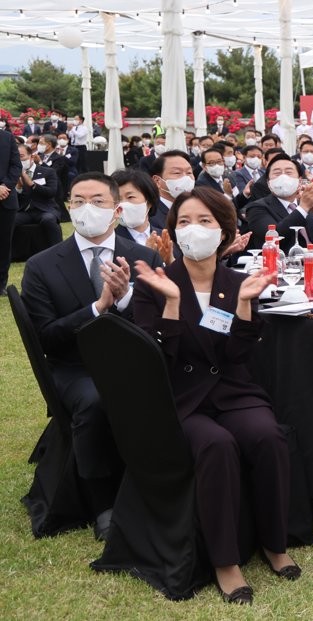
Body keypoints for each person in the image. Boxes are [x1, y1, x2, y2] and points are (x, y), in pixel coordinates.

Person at [132, 187, 298, 605]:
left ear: (225, 230)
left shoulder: (238, 281)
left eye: (205, 221)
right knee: (217, 445)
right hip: (182, 397)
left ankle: (275, 543)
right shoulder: (156, 284)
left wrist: (244, 307)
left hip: (232, 391)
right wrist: (171, 306)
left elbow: (237, 356)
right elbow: (155, 363)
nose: (194, 230)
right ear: (172, 231)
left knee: (268, 436)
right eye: (184, 221)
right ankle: (226, 562)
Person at [20, 172, 163, 540]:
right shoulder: (42, 265)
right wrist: (98, 307)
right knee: (96, 401)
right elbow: (48, 337)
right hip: (75, 367)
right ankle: (103, 503)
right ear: (68, 207)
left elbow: (157, 323)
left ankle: (161, 487)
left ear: (116, 210)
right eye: (78, 201)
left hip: (133, 361)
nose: (87, 209)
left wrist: (126, 299)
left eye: (97, 201)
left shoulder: (142, 255)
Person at [244, 154, 313, 251]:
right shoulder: (257, 208)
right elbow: (275, 237)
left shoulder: (305, 203)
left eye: (288, 172)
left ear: (299, 180)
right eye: (277, 173)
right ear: (268, 183)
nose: (283, 177)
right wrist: (303, 208)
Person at [14, 143, 62, 250]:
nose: (18, 160)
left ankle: (59, 250)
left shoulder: (48, 172)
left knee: (48, 220)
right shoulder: (12, 174)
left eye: (21, 156)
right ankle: (8, 253)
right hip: (24, 210)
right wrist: (18, 188)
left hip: (45, 209)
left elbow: (51, 192)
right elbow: (13, 199)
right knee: (8, 220)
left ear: (31, 156)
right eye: (16, 157)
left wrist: (32, 184)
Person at [111, 168, 164, 248]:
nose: (123, 204)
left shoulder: (165, 237)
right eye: (118, 199)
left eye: (130, 197)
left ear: (149, 201)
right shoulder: (111, 240)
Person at [0, 126, 21, 294]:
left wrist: (5, 186)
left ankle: (1, 284)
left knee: (4, 243)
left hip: (6, 199)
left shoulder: (7, 138)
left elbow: (16, 165)